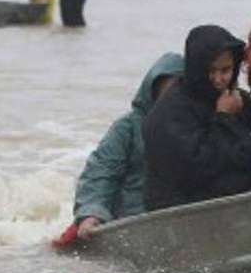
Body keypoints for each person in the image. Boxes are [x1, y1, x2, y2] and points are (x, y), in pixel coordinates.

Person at [143, 24, 251, 211]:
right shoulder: (170, 112)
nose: (219, 79)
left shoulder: (237, 99)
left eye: (225, 70)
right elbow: (200, 168)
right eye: (211, 71)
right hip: (183, 211)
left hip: (238, 206)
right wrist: (224, 117)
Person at [71, 52, 186, 240]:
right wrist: (91, 213)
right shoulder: (128, 127)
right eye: (165, 95)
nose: (170, 103)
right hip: (131, 220)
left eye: (176, 95)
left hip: (178, 219)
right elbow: (101, 171)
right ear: (152, 92)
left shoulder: (194, 125)